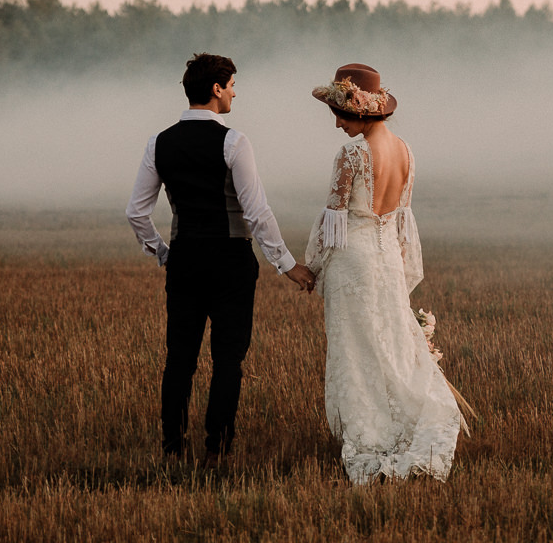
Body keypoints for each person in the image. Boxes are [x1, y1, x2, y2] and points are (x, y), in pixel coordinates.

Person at [127, 52, 317, 467]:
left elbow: (136, 213)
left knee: (179, 358)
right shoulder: (234, 141)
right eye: (232, 85)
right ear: (216, 89)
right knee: (228, 359)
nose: (234, 92)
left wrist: (162, 252)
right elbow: (257, 212)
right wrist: (287, 265)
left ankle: (173, 449)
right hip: (231, 261)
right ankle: (217, 449)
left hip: (185, 260)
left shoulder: (158, 142)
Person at [305, 63, 462, 484]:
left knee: (357, 351)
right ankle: (403, 424)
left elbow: (334, 222)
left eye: (341, 113)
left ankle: (370, 433)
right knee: (388, 344)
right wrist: (397, 262)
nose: (337, 123)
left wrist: (313, 269)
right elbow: (401, 221)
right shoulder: (406, 151)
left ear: (362, 111)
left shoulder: (353, 154)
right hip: (387, 257)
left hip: (353, 261)